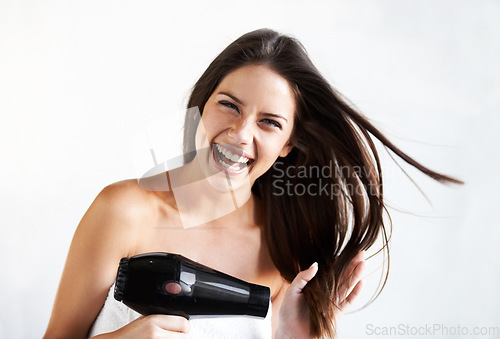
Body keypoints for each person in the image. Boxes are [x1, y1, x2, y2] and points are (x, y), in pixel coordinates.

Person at [44, 28, 461, 339]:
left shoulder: (289, 251)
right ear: (201, 107)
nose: (241, 134)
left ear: (287, 144)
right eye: (229, 105)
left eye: (269, 122)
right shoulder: (124, 212)